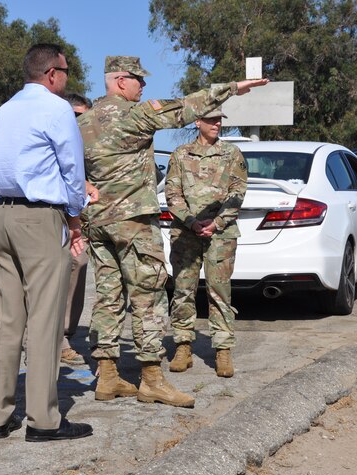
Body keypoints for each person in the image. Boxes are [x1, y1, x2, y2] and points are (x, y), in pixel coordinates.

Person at [78, 55, 267, 408]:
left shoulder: (83, 121)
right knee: (148, 296)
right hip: (132, 221)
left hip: (97, 221)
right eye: (138, 80)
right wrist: (233, 88)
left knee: (108, 296)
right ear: (121, 81)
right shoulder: (134, 115)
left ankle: (107, 376)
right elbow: (185, 107)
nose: (143, 86)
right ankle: (151, 380)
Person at [0, 43, 92, 442]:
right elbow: (72, 169)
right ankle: (44, 421)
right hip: (40, 218)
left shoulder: (7, 108)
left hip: (3, 217)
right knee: (46, 320)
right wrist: (76, 221)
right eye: (65, 70)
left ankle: (0, 415)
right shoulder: (57, 108)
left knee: (8, 320)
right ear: (51, 74)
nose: (67, 78)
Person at [164, 108, 247, 378]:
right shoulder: (180, 154)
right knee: (183, 290)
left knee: (219, 292)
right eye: (211, 120)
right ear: (197, 122)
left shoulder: (231, 153)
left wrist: (218, 223)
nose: (217, 124)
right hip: (186, 233)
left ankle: (222, 350)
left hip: (220, 234)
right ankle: (183, 345)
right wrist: (191, 221)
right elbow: (172, 192)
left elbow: (238, 191)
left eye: (220, 120)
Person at [57, 93, 94, 366]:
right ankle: (56, 340)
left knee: (79, 265)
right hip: (55, 215)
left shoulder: (87, 142)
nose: (83, 121)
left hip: (80, 219)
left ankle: (65, 332)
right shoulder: (58, 137)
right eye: (78, 116)